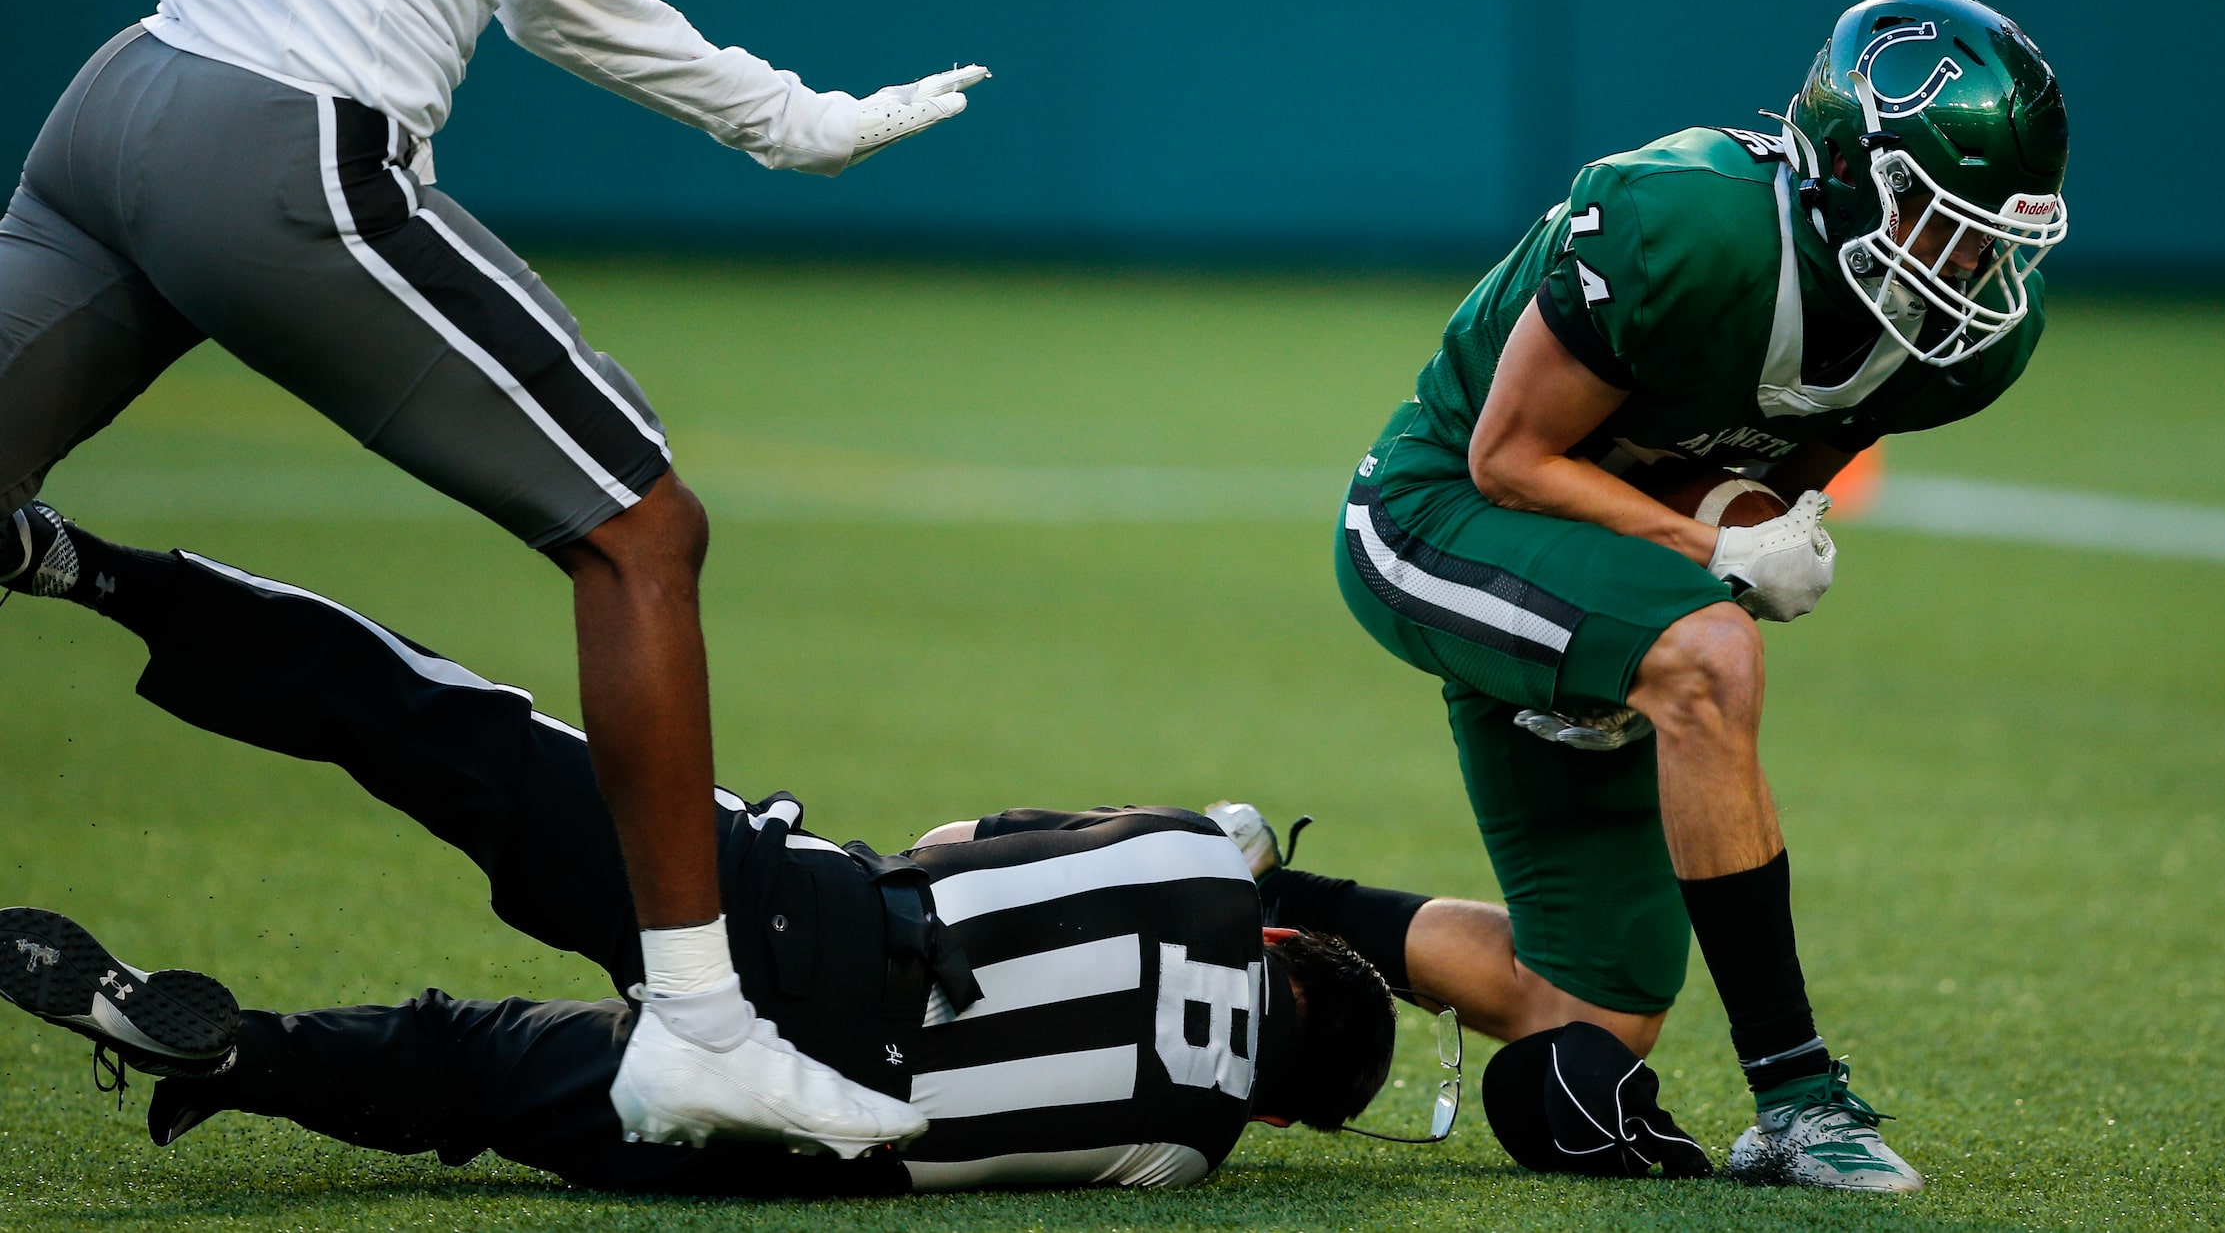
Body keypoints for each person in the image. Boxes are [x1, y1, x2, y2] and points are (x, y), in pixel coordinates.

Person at [6, 0, 988, 1154]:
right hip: (284, 146)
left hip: (122, 115)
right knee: (641, 530)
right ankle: (696, 1020)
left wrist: (785, 113)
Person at [0, 508, 1398, 1197]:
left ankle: (87, 568)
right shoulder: (1186, 1152)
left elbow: (954, 839)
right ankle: (237, 1050)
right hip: (793, 1137)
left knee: (455, 738)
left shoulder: (1219, 862)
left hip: (816, 924)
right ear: (1279, 1113)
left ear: (1279, 937)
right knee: (467, 1062)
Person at [1314, 0, 2071, 1190]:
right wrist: (1709, 549)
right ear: (1845, 177)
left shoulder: (1968, 343)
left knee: (1586, 1008)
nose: (1970, 265)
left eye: (1995, 236)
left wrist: (1748, 521)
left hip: (1589, 551)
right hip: (1438, 516)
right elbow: (1507, 461)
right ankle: (1798, 1098)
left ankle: (1246, 890)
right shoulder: (1686, 221)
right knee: (1711, 657)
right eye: (1942, 223)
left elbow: (1740, 470)